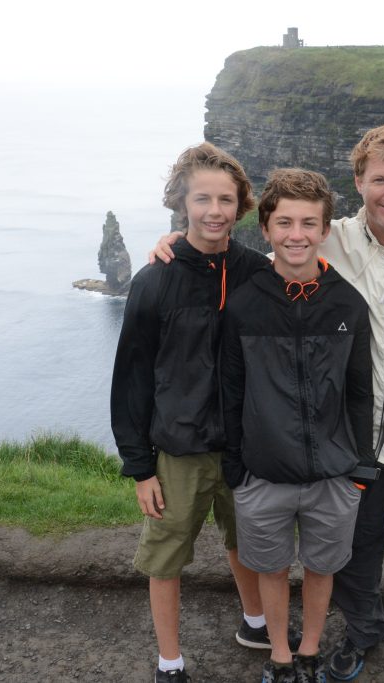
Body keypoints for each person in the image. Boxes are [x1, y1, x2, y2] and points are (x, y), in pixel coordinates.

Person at [151, 121, 384, 683]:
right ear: (359, 181)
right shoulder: (331, 236)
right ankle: (362, 634)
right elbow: (271, 247)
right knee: (353, 554)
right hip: (355, 441)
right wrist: (178, 245)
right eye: (380, 179)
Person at [111, 142, 285, 683]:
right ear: (181, 204)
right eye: (202, 198)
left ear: (242, 207)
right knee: (165, 557)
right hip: (179, 450)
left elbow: (313, 245)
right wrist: (140, 467)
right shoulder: (154, 279)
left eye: (226, 200)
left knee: (249, 542)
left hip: (245, 445)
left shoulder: (258, 272)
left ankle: (256, 622)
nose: (215, 210)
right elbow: (132, 378)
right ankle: (170, 661)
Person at [218, 168, 374, 683]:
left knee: (321, 568)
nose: (296, 234)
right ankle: (280, 656)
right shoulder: (243, 305)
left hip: (334, 472)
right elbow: (231, 391)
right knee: (270, 568)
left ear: (326, 229)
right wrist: (238, 468)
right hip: (263, 473)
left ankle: (309, 652)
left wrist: (360, 468)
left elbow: (359, 391)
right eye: (284, 222)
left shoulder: (347, 302)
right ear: (265, 229)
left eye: (309, 222)